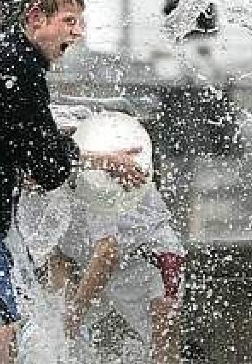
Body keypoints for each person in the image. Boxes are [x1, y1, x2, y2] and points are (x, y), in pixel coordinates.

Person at [0, 0, 147, 364]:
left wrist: (44, 162)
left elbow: (20, 145)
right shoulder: (16, 67)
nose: (78, 31)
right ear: (36, 17)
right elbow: (46, 161)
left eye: (80, 22)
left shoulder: (11, 59)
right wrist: (104, 160)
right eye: (69, 20)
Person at [27, 111, 187, 364]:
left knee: (162, 352)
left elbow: (108, 252)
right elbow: (59, 257)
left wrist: (74, 315)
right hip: (89, 263)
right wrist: (63, 312)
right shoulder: (42, 190)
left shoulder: (96, 177)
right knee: (55, 335)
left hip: (147, 258)